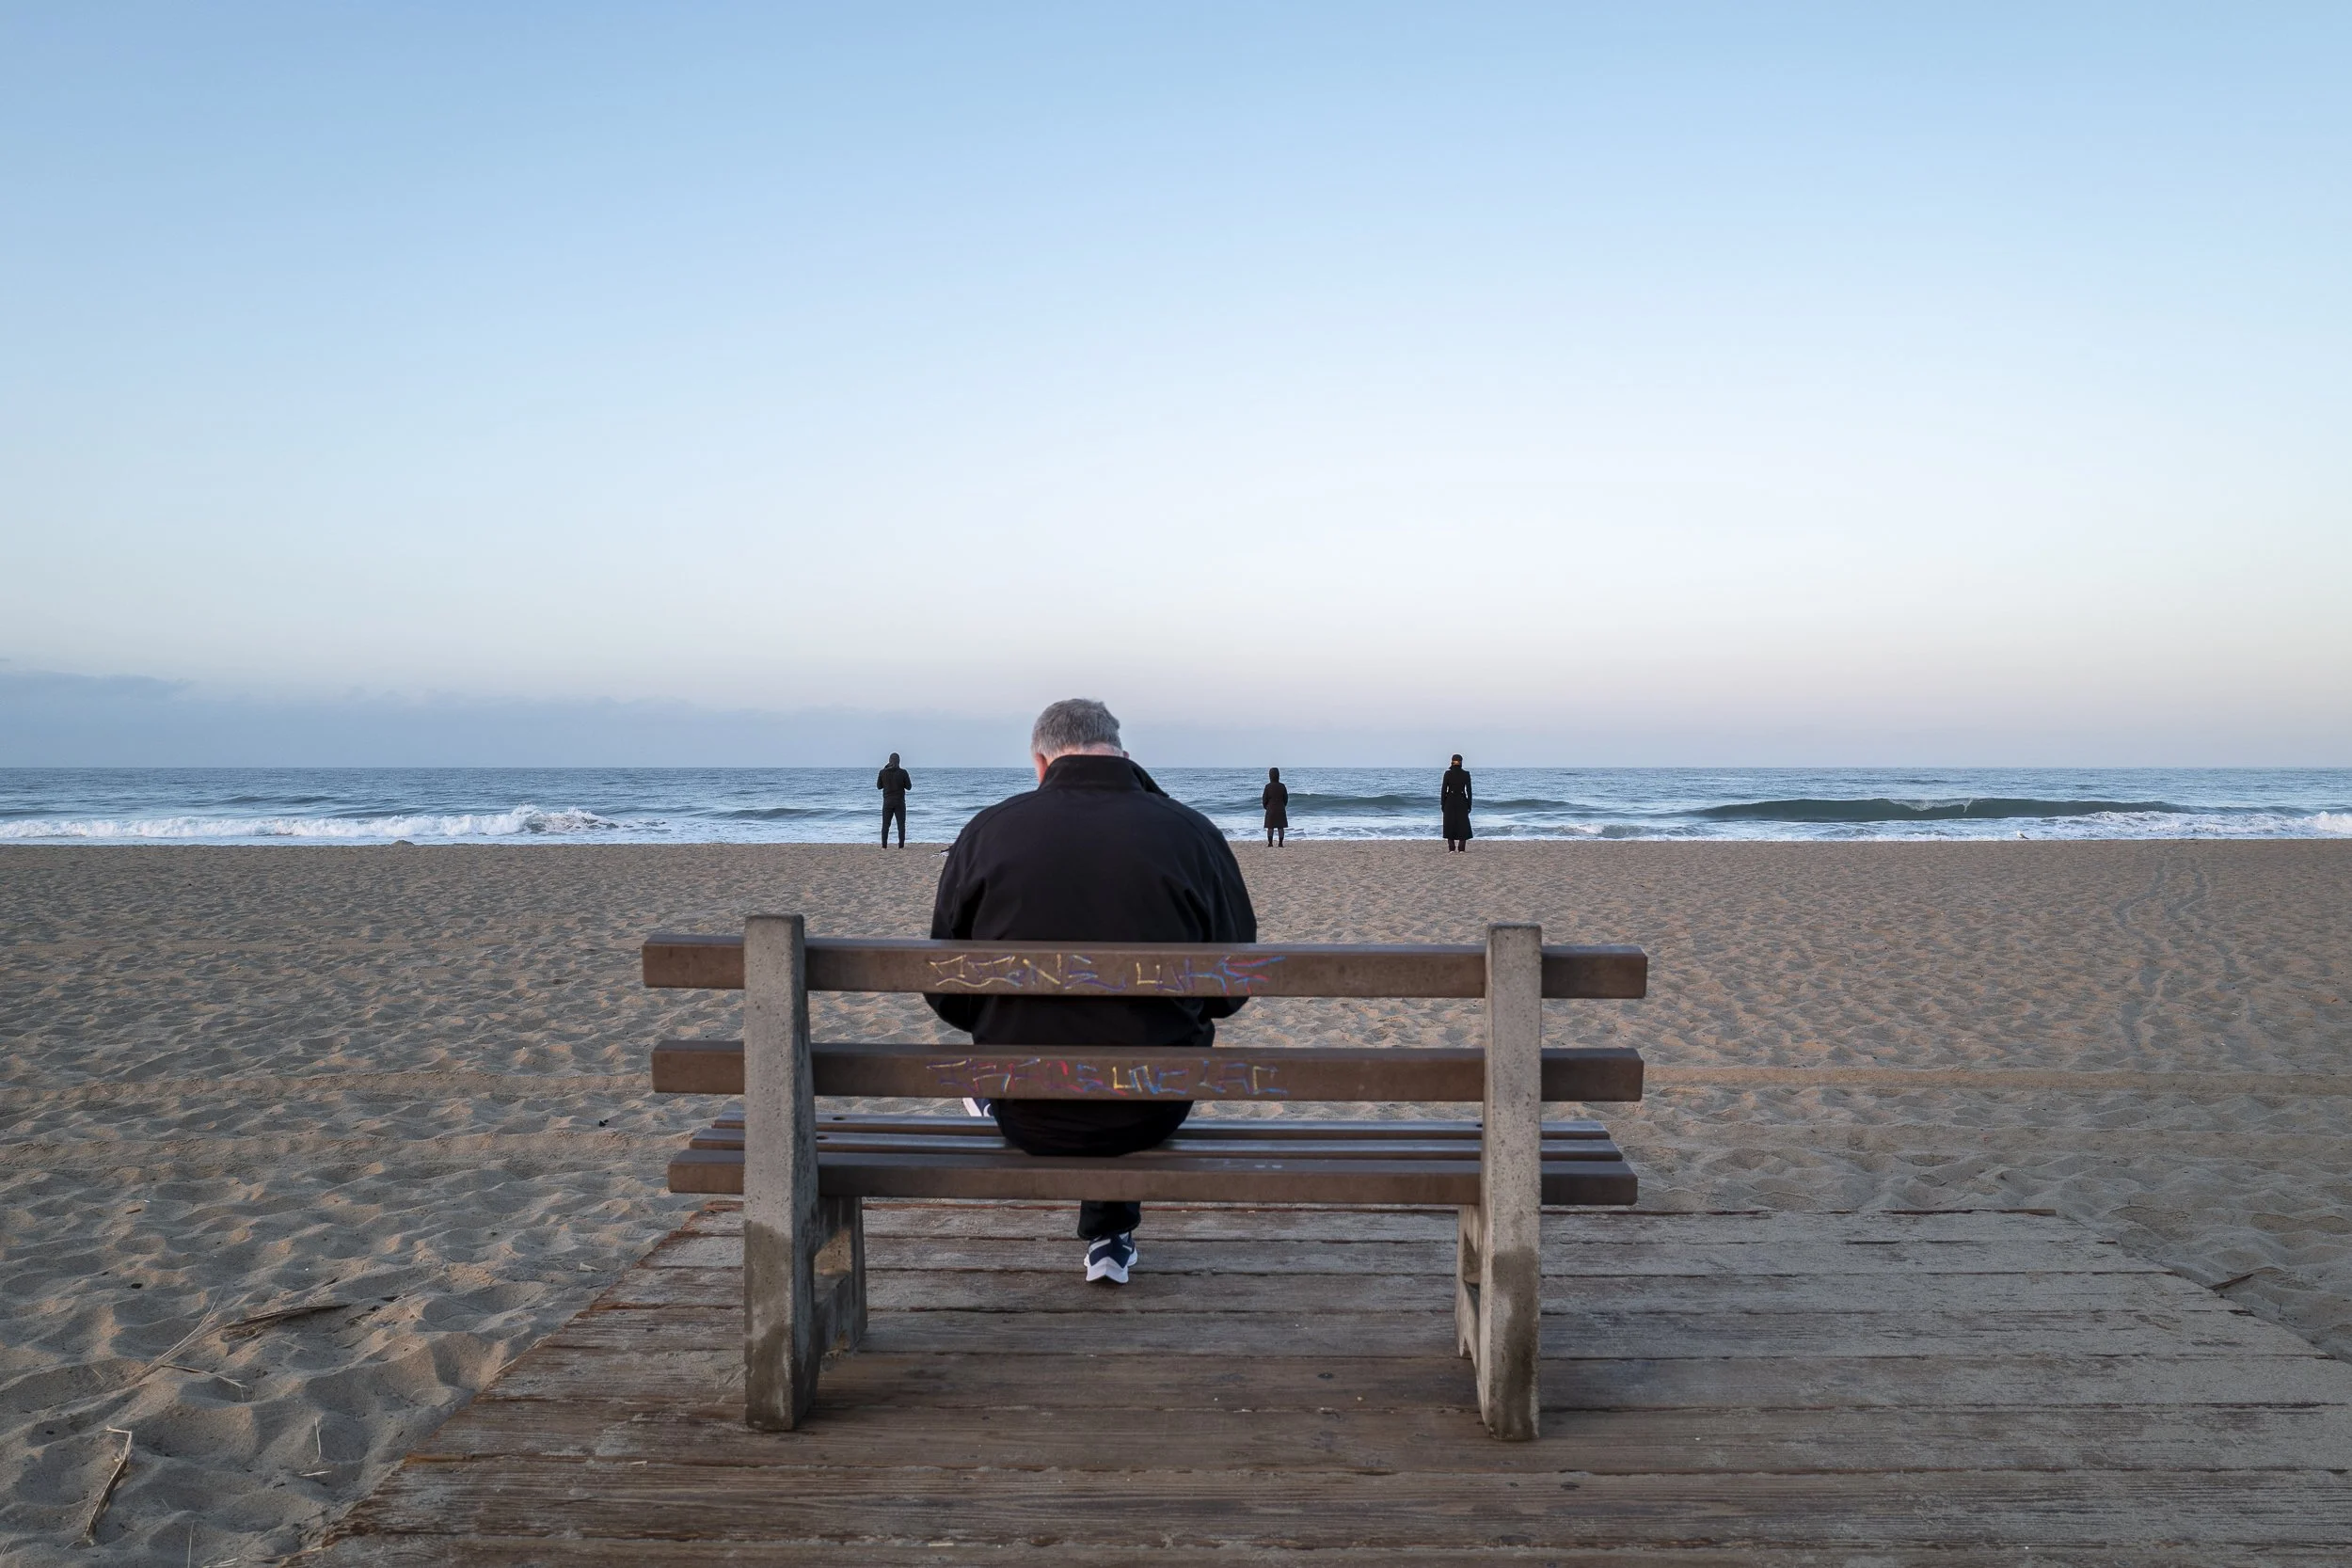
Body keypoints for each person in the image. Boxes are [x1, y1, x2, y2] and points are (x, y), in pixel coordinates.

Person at [927, 698, 1257, 1285]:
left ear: (1040, 761)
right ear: (1123, 755)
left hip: (1026, 1108)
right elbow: (1230, 993)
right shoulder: (1190, 832)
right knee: (1143, 1038)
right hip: (1151, 1109)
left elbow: (945, 991)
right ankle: (1110, 1235)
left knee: (1046, 1037)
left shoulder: (987, 831)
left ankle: (998, 1102)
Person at [875, 752, 912, 847]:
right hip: (899, 801)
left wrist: (884, 769)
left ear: (889, 761)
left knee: (885, 825)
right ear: (899, 761)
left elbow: (879, 787)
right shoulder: (903, 772)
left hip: (887, 802)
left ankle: (884, 846)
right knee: (901, 825)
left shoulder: (882, 772)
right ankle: (901, 846)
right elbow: (909, 787)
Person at [1441, 753, 1473, 851]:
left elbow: (1443, 790)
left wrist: (1442, 803)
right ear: (1461, 762)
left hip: (1449, 800)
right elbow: (1469, 791)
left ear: (1452, 761)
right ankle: (1461, 848)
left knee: (1449, 823)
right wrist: (1469, 804)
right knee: (1463, 824)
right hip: (1462, 800)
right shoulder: (1466, 774)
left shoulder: (1448, 773)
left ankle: (1451, 848)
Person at [1262, 766, 1289, 847]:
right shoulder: (1282, 786)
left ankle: (1270, 843)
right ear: (1278, 775)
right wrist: (1283, 805)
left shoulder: (1267, 786)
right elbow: (1286, 799)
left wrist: (1266, 807)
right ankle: (1280, 843)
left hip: (1271, 809)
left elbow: (1264, 799)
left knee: (1270, 827)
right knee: (1280, 827)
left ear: (1270, 775)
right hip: (1281, 808)